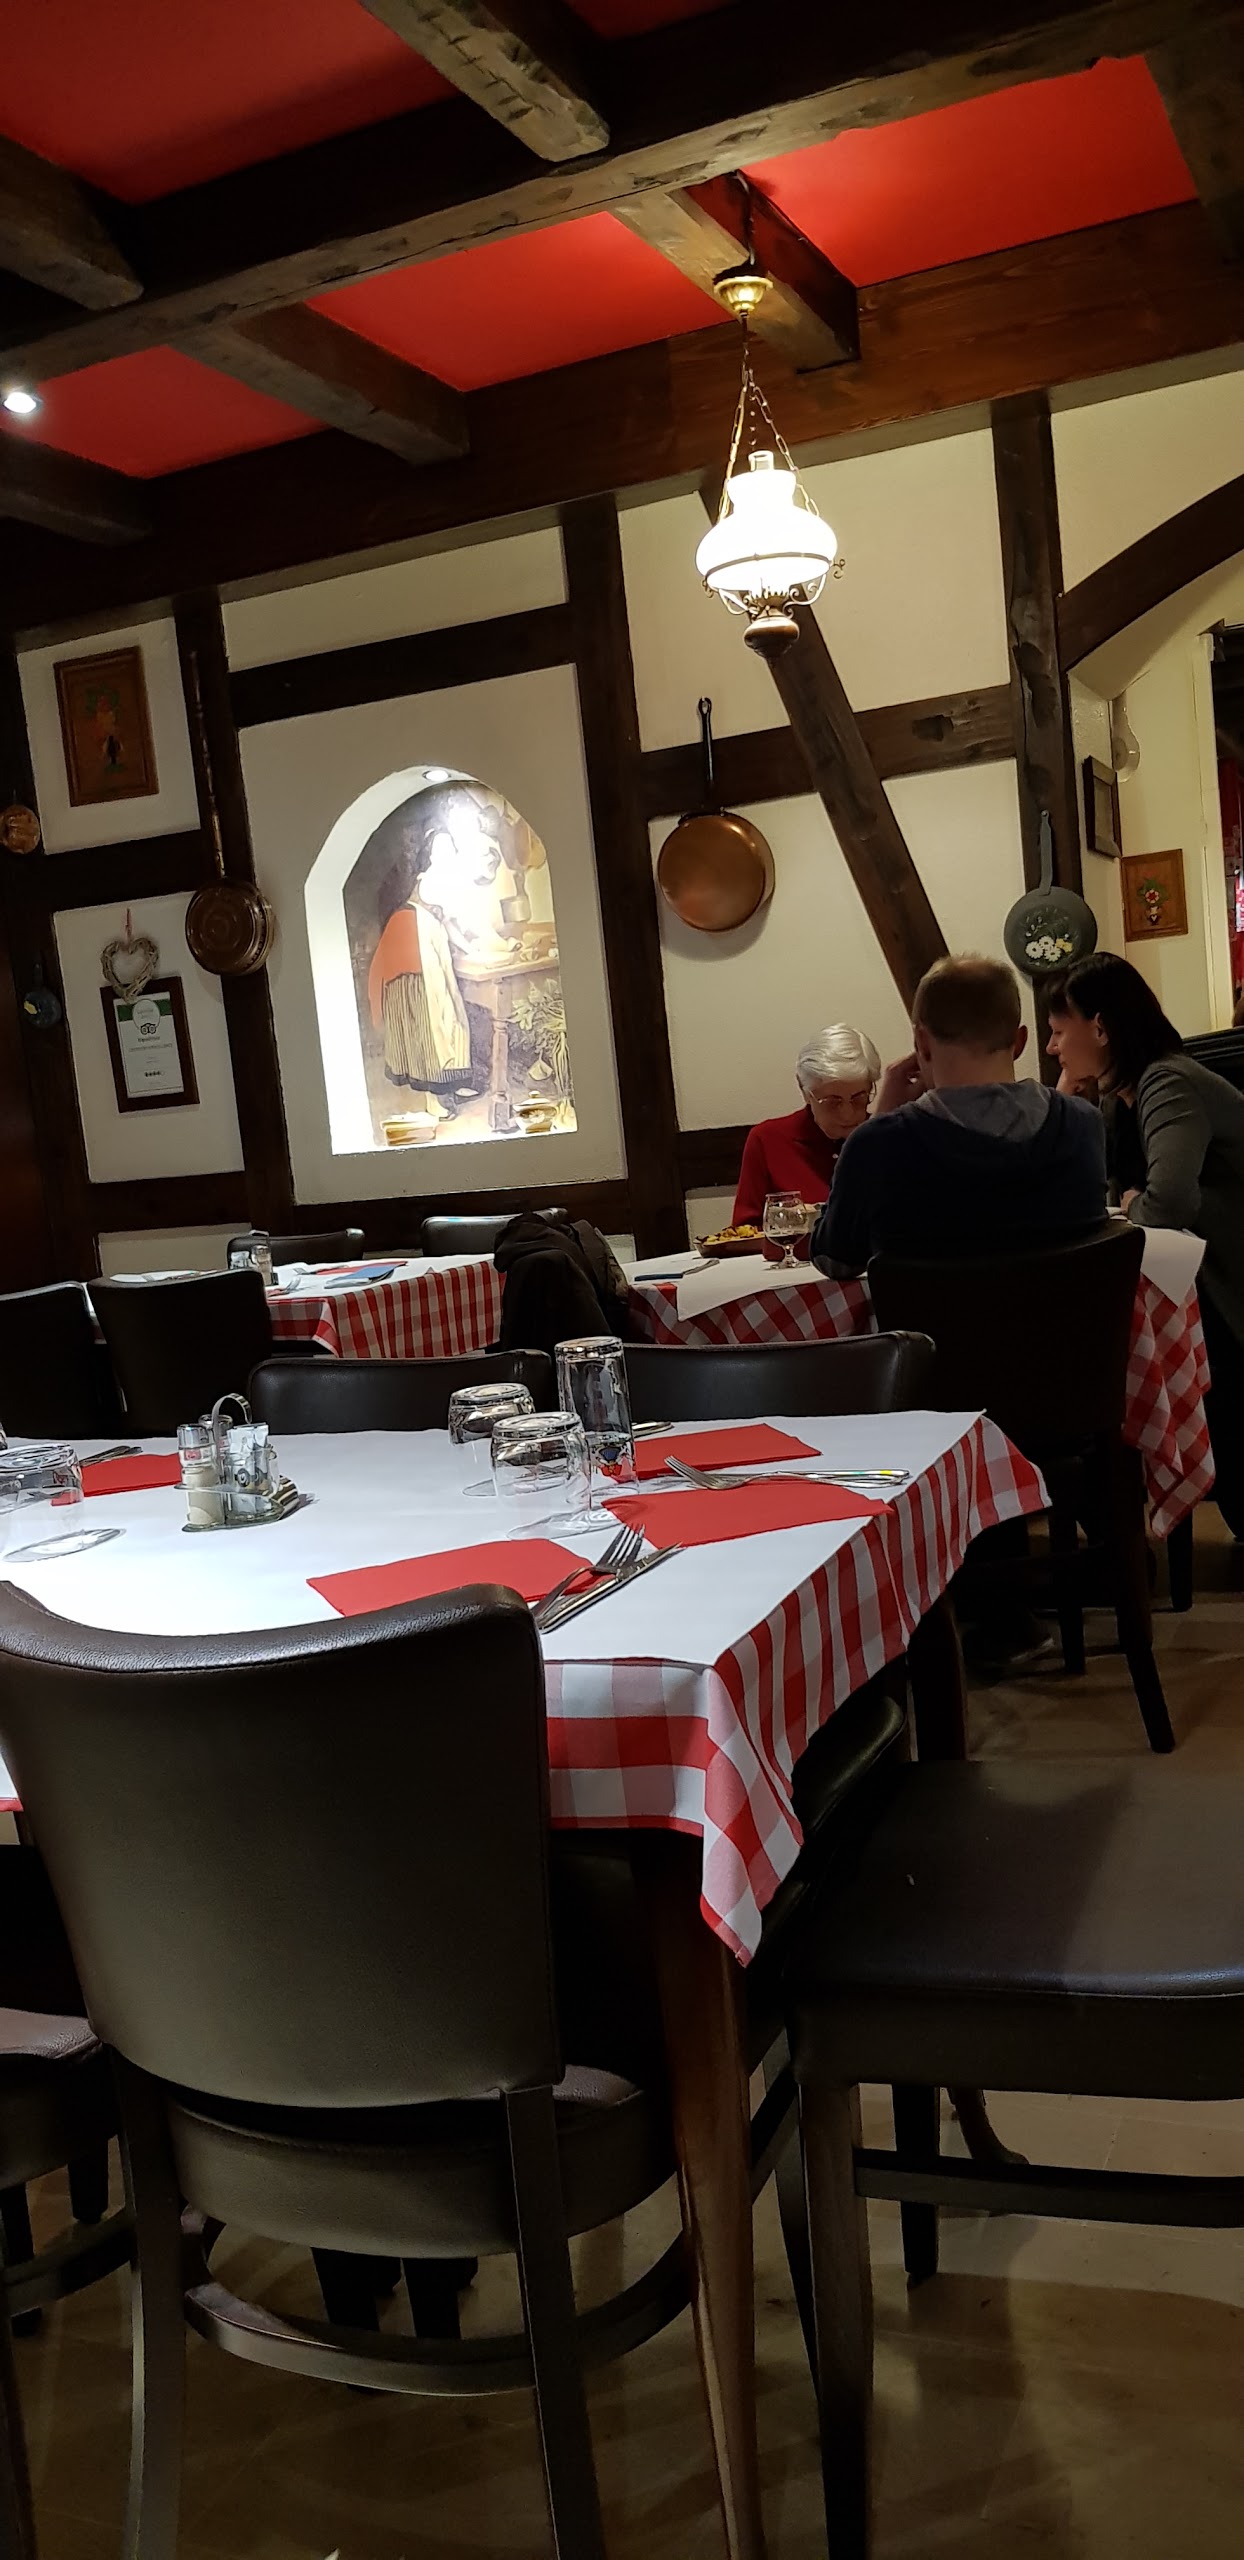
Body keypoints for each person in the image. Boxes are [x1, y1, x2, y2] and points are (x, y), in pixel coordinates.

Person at [1047, 951, 1244, 1532]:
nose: (1054, 1048)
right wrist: (1069, 1103)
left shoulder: (1167, 1081)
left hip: (1229, 1285)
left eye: (1059, 1031)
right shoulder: (1122, 1096)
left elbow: (1167, 1204)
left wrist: (1133, 1201)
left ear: (1100, 1028)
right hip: (1205, 1279)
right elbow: (1092, 1194)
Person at [813, 953, 1106, 1273]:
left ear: (922, 1043)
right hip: (1067, 1308)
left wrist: (883, 1118)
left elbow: (834, 1261)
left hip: (929, 1309)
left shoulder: (878, 1146)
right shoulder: (1082, 1123)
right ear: (1019, 1041)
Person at [733, 1025, 881, 1226]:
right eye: (832, 1101)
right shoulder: (767, 1140)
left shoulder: (887, 1138)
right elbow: (745, 1232)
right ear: (804, 1091)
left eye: (859, 1097)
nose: (847, 1114)